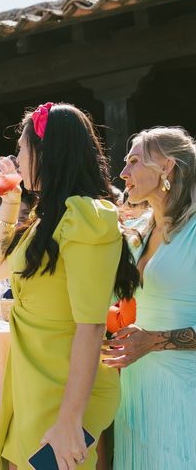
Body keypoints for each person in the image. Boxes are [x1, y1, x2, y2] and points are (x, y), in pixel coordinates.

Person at [0, 102, 139, 470]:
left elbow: (91, 325)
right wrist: (10, 202)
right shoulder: (45, 217)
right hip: (33, 379)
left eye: (22, 149)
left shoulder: (88, 216)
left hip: (64, 389)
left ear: (46, 151)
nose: (17, 160)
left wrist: (70, 422)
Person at [101, 127, 196, 469]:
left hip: (186, 391)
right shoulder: (137, 231)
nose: (123, 172)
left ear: (167, 167)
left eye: (134, 161)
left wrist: (154, 340)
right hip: (137, 392)